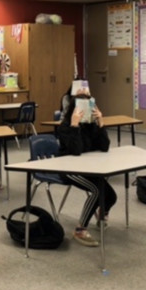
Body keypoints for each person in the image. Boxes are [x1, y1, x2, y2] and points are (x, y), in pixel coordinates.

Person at [56, 92, 117, 247]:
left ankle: (101, 216)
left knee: (111, 196)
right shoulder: (65, 127)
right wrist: (74, 125)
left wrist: (101, 122)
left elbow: (104, 147)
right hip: (68, 169)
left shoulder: (91, 126)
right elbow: (75, 151)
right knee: (97, 191)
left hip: (88, 168)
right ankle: (80, 229)